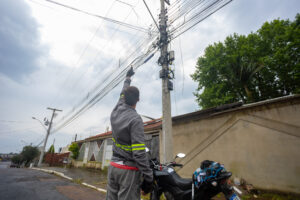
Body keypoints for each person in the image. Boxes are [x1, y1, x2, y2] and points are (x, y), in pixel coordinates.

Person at [106, 67, 153, 200]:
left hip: (113, 167)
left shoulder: (116, 109)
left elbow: (122, 93)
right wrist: (149, 178)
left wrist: (127, 78)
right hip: (128, 171)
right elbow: (138, 153)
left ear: (124, 98)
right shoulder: (135, 119)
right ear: (138, 100)